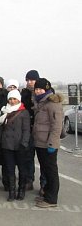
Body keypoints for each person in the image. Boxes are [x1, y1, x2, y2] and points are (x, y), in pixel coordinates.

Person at [32, 78, 63, 208]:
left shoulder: (52, 104)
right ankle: (46, 194)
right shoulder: (41, 103)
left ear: (47, 89)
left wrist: (52, 144)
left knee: (51, 171)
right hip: (40, 143)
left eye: (41, 89)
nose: (38, 91)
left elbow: (57, 126)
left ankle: (51, 199)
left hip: (48, 144)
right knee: (45, 169)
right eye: (36, 89)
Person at [0, 89, 30, 201]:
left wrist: (24, 144)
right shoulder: (4, 111)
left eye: (14, 98)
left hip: (19, 145)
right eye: (10, 99)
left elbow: (26, 130)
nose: (12, 101)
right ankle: (11, 192)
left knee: (22, 169)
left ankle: (21, 191)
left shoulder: (24, 112)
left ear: (18, 99)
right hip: (7, 145)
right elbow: (0, 128)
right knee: (10, 170)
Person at [21, 69, 40, 192]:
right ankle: (29, 180)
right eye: (28, 80)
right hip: (28, 129)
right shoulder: (24, 93)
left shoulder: (43, 92)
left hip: (42, 130)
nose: (30, 82)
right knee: (28, 156)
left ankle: (44, 184)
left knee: (44, 160)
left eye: (32, 80)